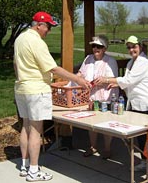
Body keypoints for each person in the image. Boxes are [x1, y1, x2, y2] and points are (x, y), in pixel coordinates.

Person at [14, 11, 91, 182]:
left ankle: (24, 166)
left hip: (21, 88)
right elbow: (53, 68)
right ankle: (34, 171)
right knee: (35, 130)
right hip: (36, 89)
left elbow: (15, 64)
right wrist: (78, 79)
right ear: (38, 25)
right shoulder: (37, 42)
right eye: (47, 26)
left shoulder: (20, 39)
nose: (48, 30)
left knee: (25, 127)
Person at [93, 35, 148, 177]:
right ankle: (144, 162)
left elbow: (128, 80)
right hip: (137, 103)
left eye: (134, 47)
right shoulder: (132, 62)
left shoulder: (143, 62)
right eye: (129, 47)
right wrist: (116, 83)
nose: (131, 50)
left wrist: (107, 79)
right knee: (141, 136)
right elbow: (128, 82)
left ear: (140, 47)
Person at [77, 35, 119, 159]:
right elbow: (80, 73)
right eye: (94, 46)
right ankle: (93, 146)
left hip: (106, 98)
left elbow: (114, 80)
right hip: (91, 97)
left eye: (99, 46)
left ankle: (107, 149)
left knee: (106, 124)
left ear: (104, 48)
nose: (96, 49)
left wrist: (104, 80)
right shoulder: (88, 59)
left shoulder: (110, 61)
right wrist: (75, 79)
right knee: (92, 124)